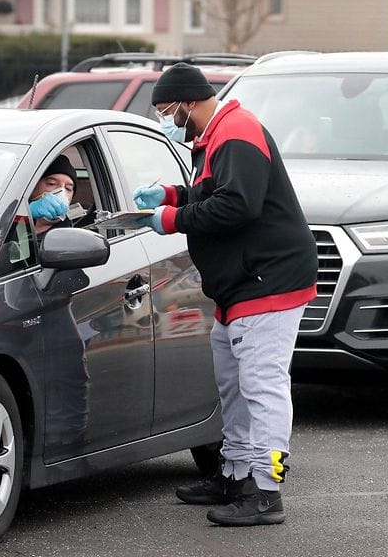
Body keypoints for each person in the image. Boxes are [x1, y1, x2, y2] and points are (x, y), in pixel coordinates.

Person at [131, 62, 317, 526]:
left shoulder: (236, 132)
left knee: (262, 386)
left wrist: (172, 219)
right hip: (239, 286)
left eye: (166, 109)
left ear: (188, 102)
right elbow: (214, 189)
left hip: (266, 282)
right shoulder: (215, 136)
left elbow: (238, 204)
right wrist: (173, 195)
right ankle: (233, 475)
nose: (165, 118)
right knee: (234, 385)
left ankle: (267, 492)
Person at [28, 155, 75, 236]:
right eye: (51, 183)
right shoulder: (11, 220)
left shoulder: (70, 235)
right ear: (33, 186)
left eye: (68, 188)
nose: (61, 192)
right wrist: (26, 213)